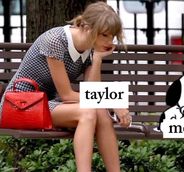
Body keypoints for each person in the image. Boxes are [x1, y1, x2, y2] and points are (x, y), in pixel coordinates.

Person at [0, 1, 132, 171]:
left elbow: (92, 93)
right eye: (104, 35)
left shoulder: (90, 48)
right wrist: (112, 102)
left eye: (112, 36)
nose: (109, 41)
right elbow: (67, 95)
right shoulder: (56, 41)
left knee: (100, 112)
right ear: (87, 27)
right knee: (88, 112)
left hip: (47, 105)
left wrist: (97, 58)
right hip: (21, 105)